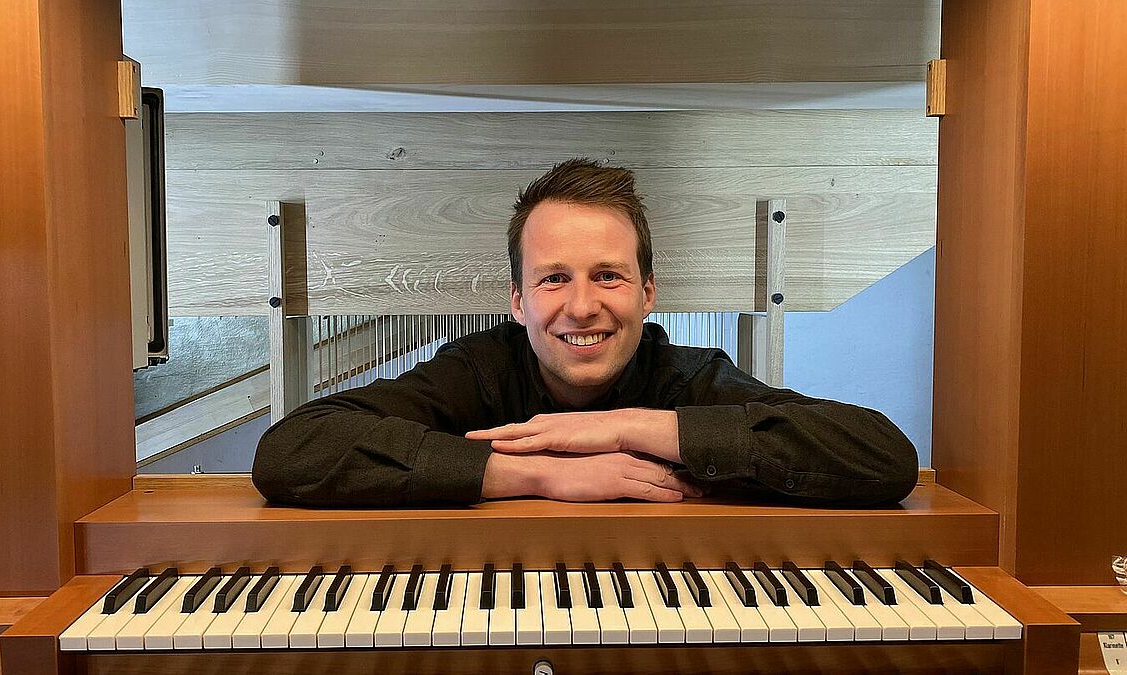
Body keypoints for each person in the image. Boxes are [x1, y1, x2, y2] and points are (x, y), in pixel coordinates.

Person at [252, 158, 919, 508]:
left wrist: (628, 427)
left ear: (648, 292)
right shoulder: (477, 370)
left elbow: (882, 457)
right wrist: (537, 475)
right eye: (553, 279)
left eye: (608, 275)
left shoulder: (687, 376)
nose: (581, 306)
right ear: (517, 300)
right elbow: (290, 451)